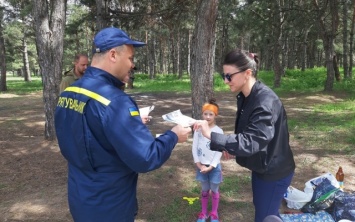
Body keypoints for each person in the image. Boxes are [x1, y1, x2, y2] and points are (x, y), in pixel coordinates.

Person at [54, 27, 191, 222]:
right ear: (112, 55)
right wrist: (174, 135)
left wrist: (127, 125)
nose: (132, 65)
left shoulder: (70, 91)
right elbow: (146, 157)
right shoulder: (115, 101)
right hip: (110, 206)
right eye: (130, 58)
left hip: (80, 197)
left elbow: (83, 135)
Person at [193, 49, 296, 222]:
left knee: (265, 217)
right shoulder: (248, 96)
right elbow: (253, 136)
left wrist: (211, 135)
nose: (226, 81)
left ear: (247, 73)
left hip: (273, 171)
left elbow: (251, 141)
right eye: (223, 76)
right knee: (264, 211)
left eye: (229, 76)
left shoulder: (264, 101)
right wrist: (232, 148)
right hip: (262, 166)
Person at [192, 99, 224, 222]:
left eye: (211, 114)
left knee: (214, 189)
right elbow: (194, 147)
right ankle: (204, 213)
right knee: (205, 189)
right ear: (202, 114)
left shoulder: (218, 131)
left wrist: (211, 166)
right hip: (201, 166)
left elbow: (219, 151)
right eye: (205, 114)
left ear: (215, 115)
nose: (208, 116)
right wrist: (198, 164)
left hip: (214, 167)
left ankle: (214, 213)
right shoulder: (198, 130)